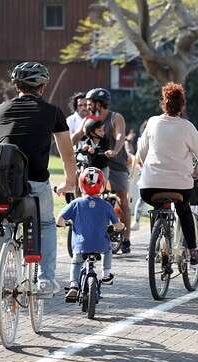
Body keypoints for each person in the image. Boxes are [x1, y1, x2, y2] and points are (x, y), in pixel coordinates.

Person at [0, 62, 76, 297]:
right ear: (42, 87)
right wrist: (69, 182)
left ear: (16, 86)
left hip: (2, 184)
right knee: (46, 224)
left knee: (4, 226)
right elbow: (67, 154)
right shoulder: (52, 112)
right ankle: (45, 280)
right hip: (35, 184)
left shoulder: (1, 109)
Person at [136, 82, 198, 264]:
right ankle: (194, 253)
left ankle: (155, 247)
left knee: (157, 209)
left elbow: (141, 152)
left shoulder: (152, 122)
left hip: (149, 186)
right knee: (184, 209)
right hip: (180, 187)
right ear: (182, 105)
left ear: (163, 103)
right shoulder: (186, 126)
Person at [73, 88, 132, 254]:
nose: (87, 105)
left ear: (99, 103)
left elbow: (120, 136)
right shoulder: (89, 119)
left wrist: (115, 150)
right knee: (84, 192)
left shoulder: (115, 117)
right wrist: (67, 146)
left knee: (122, 199)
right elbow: (78, 135)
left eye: (90, 103)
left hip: (116, 164)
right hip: (96, 163)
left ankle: (126, 238)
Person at [58, 168, 124, 301]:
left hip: (81, 245)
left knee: (76, 263)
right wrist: (120, 227)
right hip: (101, 244)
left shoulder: (76, 203)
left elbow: (60, 219)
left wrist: (63, 224)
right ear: (102, 186)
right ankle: (106, 274)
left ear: (81, 185)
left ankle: (73, 286)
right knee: (108, 250)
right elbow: (117, 224)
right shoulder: (106, 205)